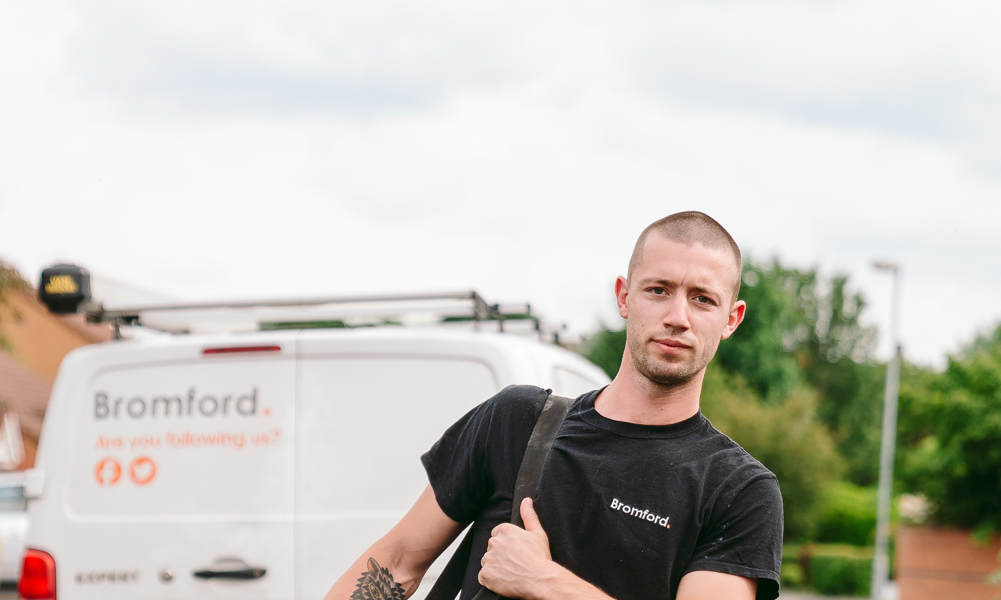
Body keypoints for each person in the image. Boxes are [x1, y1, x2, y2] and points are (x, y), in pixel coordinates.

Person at [323, 211, 783, 600]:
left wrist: (542, 581)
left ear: (731, 319)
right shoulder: (518, 422)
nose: (677, 317)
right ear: (624, 296)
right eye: (658, 290)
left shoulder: (739, 491)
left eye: (702, 299)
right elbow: (398, 561)